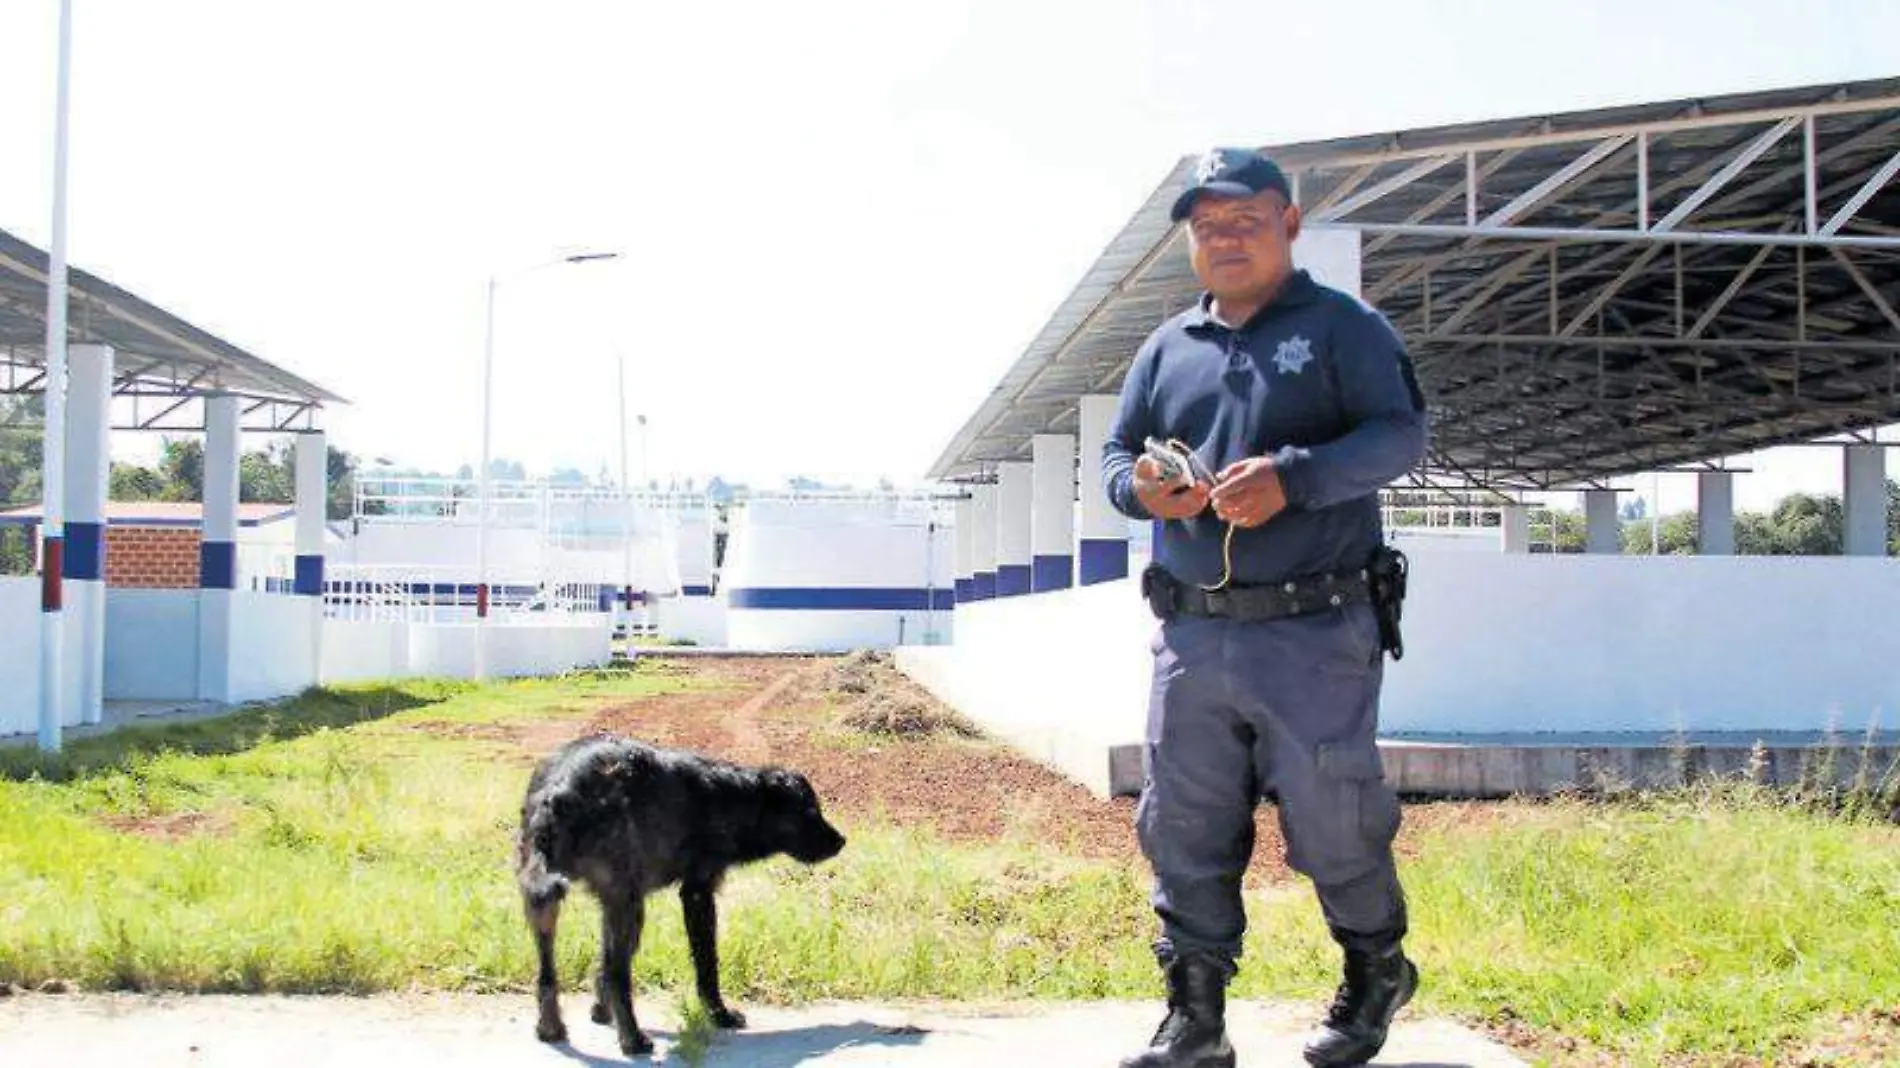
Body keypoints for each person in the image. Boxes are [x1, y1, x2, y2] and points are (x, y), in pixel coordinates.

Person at [1103, 147, 1429, 1068]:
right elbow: (1117, 457)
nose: (1225, 238)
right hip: (1194, 633)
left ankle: (1376, 972)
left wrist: (1298, 480)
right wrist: (1144, 491)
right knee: (1184, 824)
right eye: (1208, 226)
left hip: (1316, 631)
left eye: (1245, 220)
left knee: (1336, 819)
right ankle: (1195, 1019)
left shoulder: (1342, 328)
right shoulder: (1168, 347)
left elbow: (1402, 435)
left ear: (1289, 222)